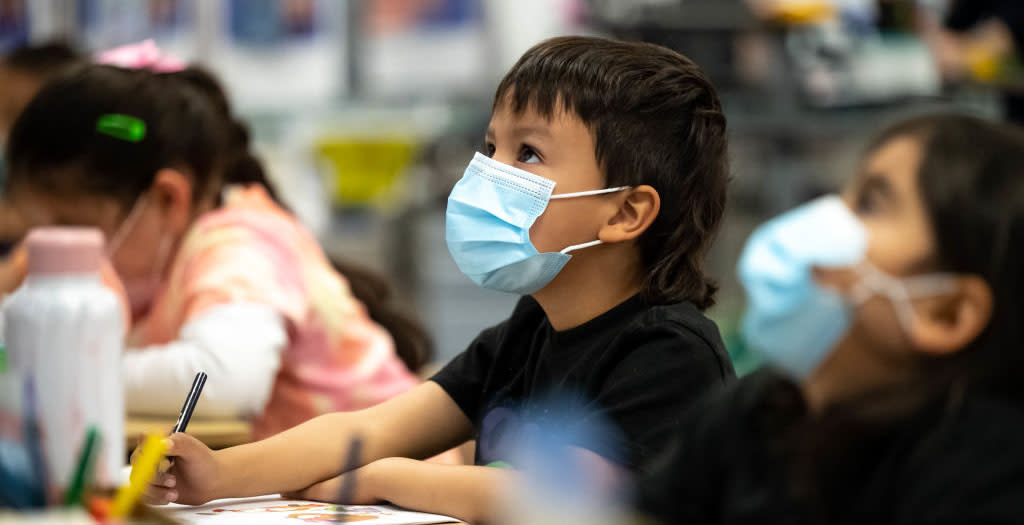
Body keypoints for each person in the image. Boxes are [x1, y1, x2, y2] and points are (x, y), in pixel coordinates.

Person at [136, 35, 735, 523]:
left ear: (625, 213)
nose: (485, 173)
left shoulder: (669, 352)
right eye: (490, 145)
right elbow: (371, 427)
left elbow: (557, 501)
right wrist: (218, 473)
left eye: (527, 154)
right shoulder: (528, 330)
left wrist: (381, 476)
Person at [3, 61, 424, 440]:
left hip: (399, 496)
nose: (53, 246)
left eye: (70, 226)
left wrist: (59, 367)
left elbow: (221, 381)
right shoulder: (160, 260)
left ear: (168, 199)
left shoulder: (238, 243)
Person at [636, 114, 1024, 524]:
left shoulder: (991, 477)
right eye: (846, 194)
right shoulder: (759, 409)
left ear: (947, 314)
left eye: (870, 205)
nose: (826, 217)